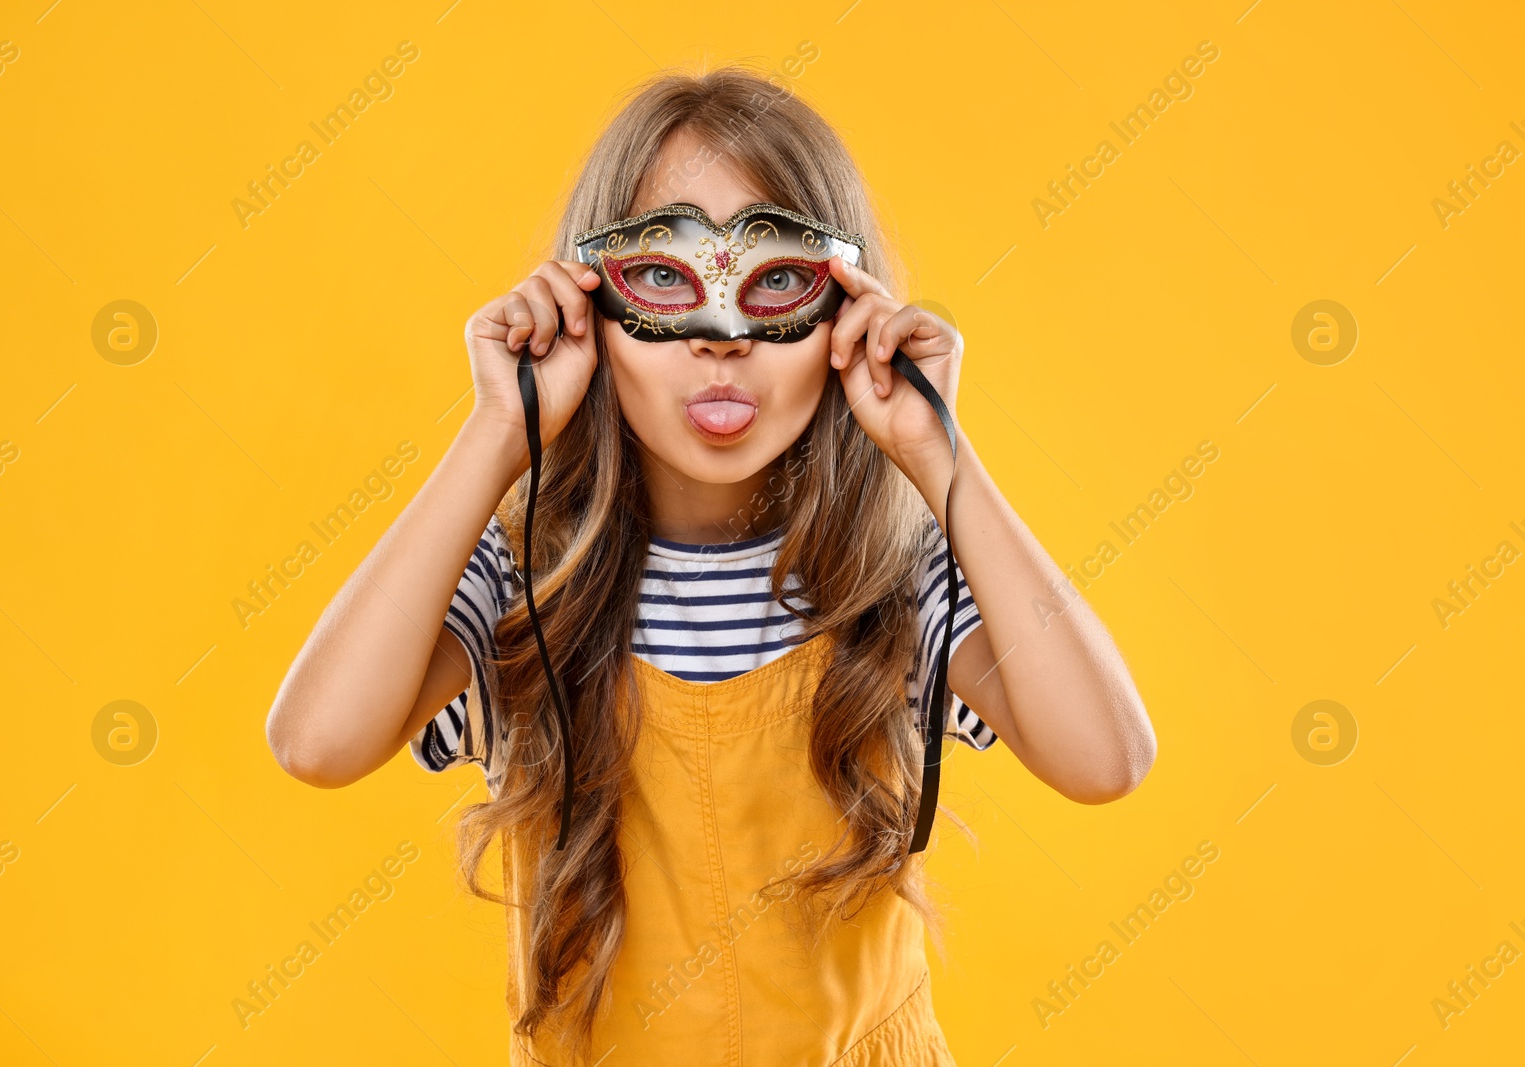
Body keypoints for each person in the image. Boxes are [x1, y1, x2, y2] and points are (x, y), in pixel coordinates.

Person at [266, 65, 1156, 1067]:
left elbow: (1107, 758)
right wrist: (495, 435)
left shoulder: (891, 574)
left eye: (778, 279)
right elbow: (314, 740)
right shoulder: (527, 576)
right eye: (663, 276)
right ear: (585, 304)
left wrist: (937, 452)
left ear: (847, 310)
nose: (722, 341)